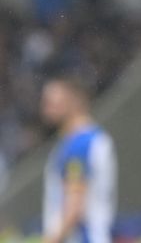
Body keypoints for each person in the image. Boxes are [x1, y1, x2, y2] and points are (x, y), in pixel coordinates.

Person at [40, 76, 117, 243]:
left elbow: (74, 205)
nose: (46, 108)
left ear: (74, 102)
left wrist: (51, 240)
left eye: (52, 102)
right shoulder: (89, 139)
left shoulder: (79, 144)